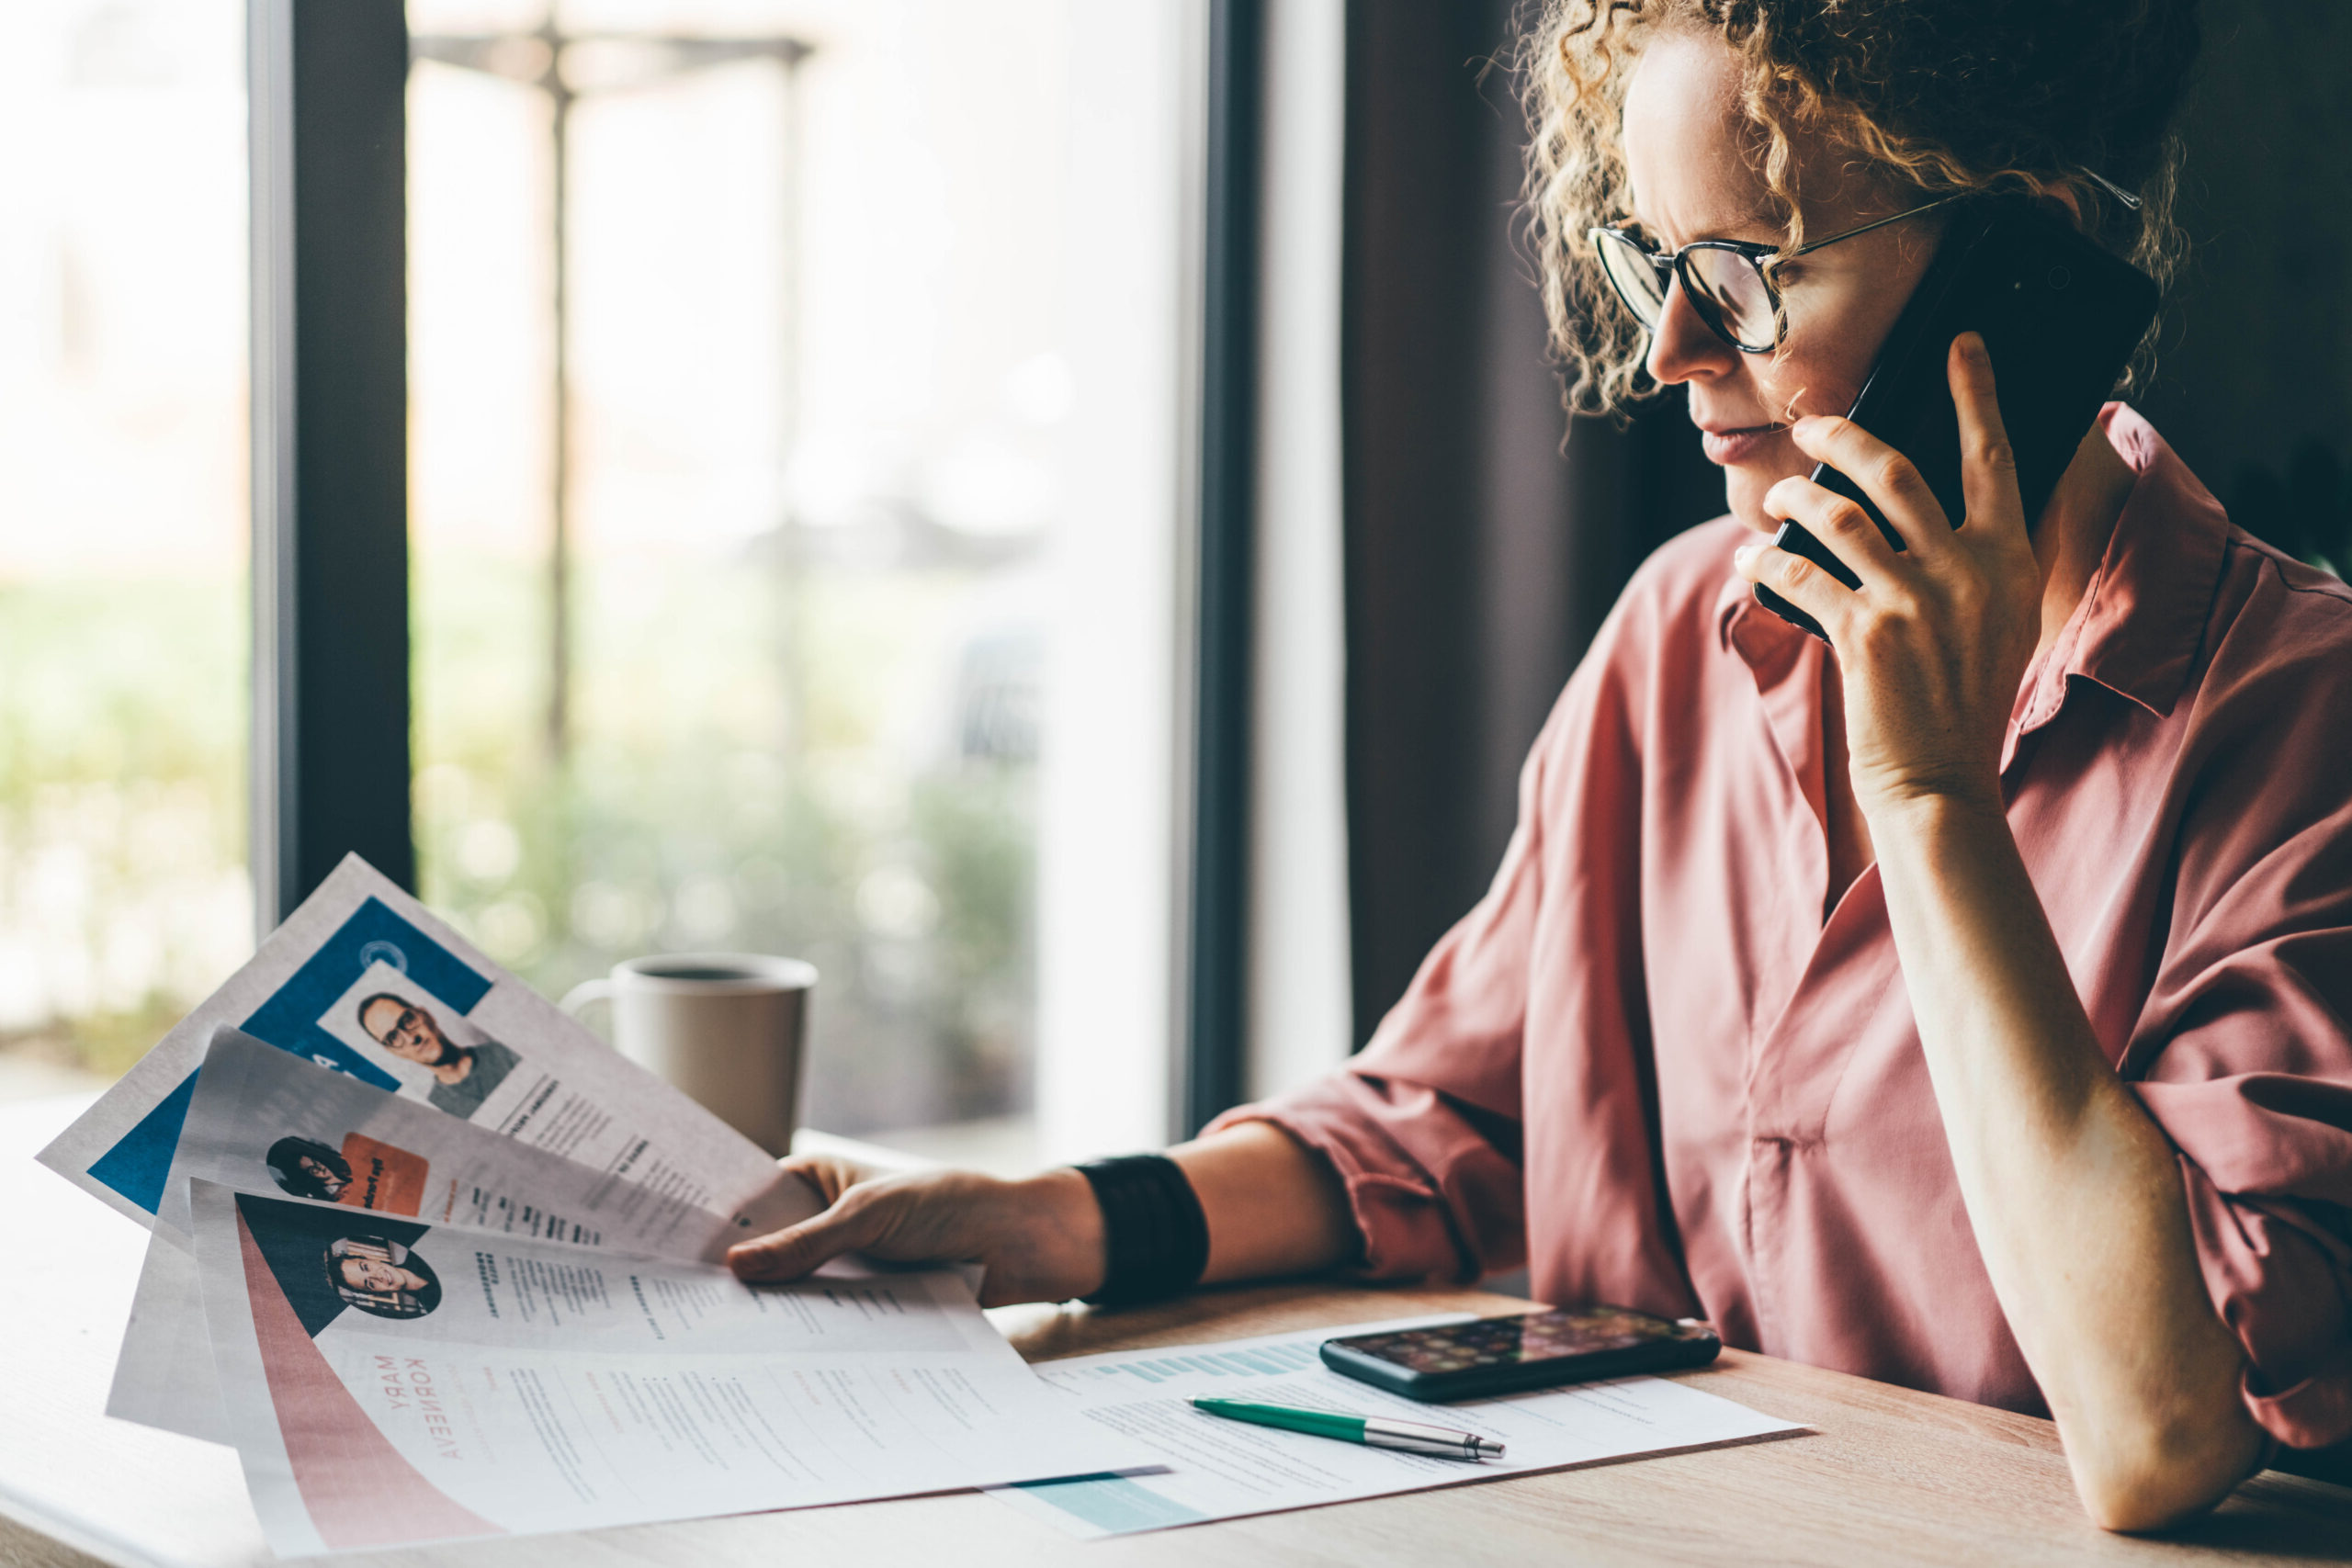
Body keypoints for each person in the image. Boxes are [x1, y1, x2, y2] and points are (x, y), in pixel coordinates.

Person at [726, 0, 2352, 1530]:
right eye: (1658, 257)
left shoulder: (2297, 719)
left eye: (1750, 270)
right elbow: (1439, 1119)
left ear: (2022, 262)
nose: (1670, 350)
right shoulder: (1678, 639)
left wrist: (1930, 795)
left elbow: (2162, 1426)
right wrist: (1042, 1219)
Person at [356, 992, 521, 1118]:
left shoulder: (506, 1051)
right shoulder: (436, 1111)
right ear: (392, 1051)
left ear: (425, 1014)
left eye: (407, 1020)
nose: (412, 1038)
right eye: (393, 1037)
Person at [325, 1236, 443, 1320]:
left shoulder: (426, 1246)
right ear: (374, 1292)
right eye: (370, 1283)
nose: (378, 1277)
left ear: (372, 1259)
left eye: (365, 1267)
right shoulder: (432, 1307)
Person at [265, 1136, 353, 1202]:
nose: (320, 1168)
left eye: (316, 1163)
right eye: (313, 1169)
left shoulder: (347, 1170)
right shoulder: (332, 1198)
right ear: (309, 1177)